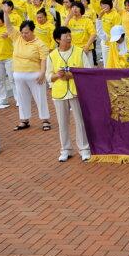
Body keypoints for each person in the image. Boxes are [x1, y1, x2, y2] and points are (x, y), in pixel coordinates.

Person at [48, 25, 92, 163]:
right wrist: (57, 75)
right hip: (59, 93)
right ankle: (65, 149)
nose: (68, 37)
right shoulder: (52, 55)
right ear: (57, 40)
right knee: (62, 122)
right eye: (65, 36)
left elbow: (88, 72)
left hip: (76, 91)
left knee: (80, 121)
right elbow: (48, 76)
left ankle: (84, 149)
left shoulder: (79, 52)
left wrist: (72, 76)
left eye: (69, 35)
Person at [8, 19, 51, 132]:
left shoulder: (39, 44)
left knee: (40, 97)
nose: (24, 35)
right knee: (22, 98)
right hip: (19, 74)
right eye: (22, 32)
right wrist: (5, 13)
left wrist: (42, 73)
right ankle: (24, 119)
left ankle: (45, 120)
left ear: (32, 31)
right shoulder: (17, 38)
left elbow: (43, 59)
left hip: (34, 75)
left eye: (26, 33)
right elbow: (8, 26)